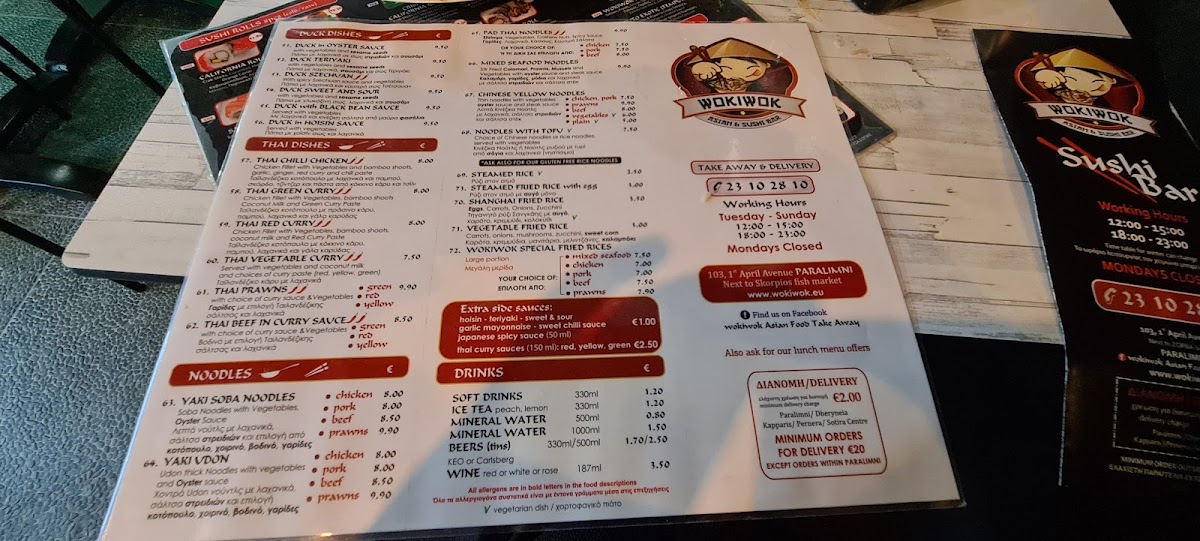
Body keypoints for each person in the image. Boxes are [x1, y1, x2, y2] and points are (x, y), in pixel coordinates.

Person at [1032, 48, 1123, 106]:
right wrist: (1043, 79)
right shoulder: (1060, 90)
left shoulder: (1102, 102)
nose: (1084, 87)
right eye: (1073, 80)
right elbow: (1036, 89)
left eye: (1096, 81)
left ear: (1113, 80)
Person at [687, 38, 782, 93]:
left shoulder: (757, 87)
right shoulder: (716, 81)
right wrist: (698, 70)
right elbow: (698, 79)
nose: (740, 74)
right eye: (728, 69)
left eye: (750, 67)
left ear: (767, 65)